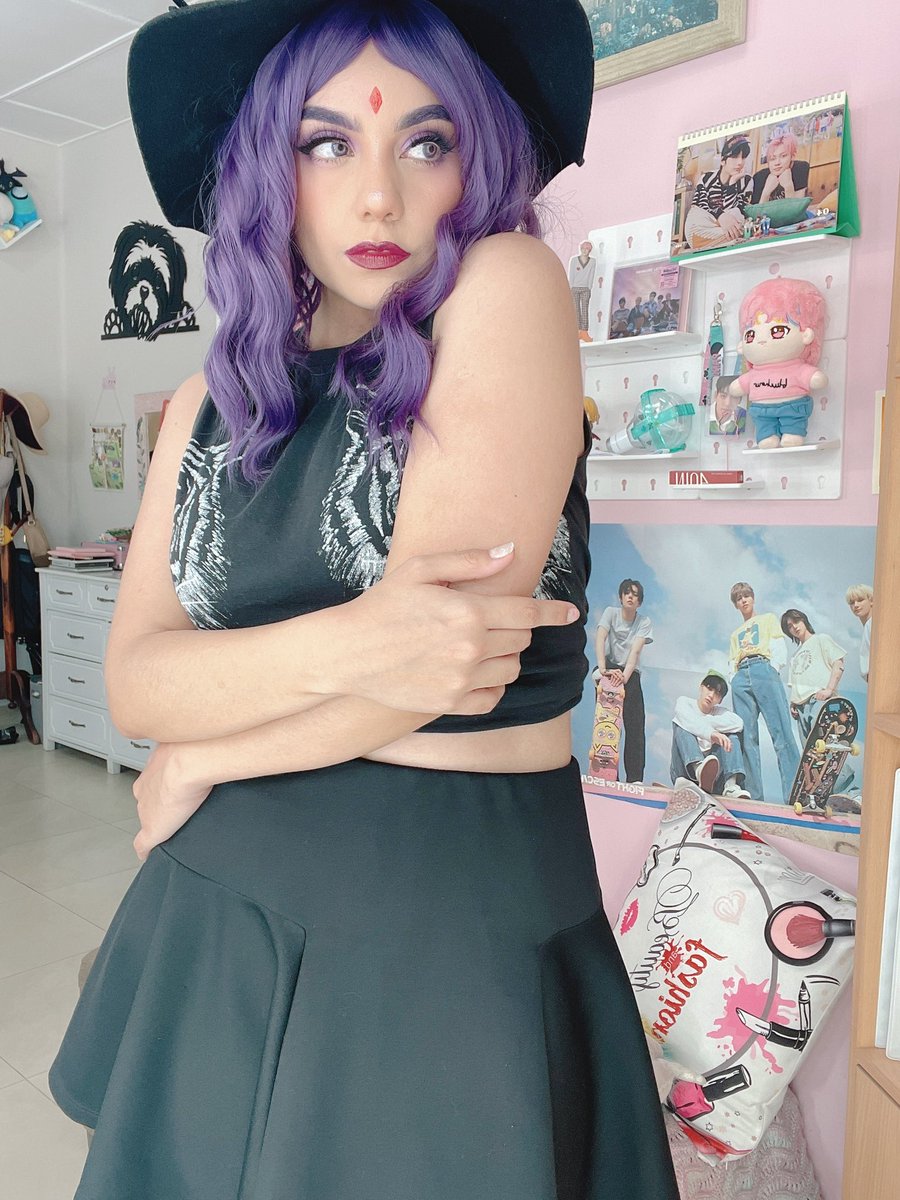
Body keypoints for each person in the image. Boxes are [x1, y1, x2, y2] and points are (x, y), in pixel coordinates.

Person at [48, 3, 679, 1198]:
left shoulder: (503, 287)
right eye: (326, 143)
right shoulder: (205, 405)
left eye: (425, 142)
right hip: (216, 909)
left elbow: (446, 664)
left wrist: (208, 751)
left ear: (477, 159)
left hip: (444, 927)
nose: (378, 196)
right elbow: (139, 683)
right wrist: (351, 645)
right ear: (265, 168)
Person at [781, 608, 859, 810]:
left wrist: (829, 690)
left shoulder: (821, 640)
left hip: (820, 702)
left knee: (830, 749)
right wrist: (793, 703)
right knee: (813, 758)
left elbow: (838, 663)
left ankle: (852, 792)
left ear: (803, 620)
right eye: (789, 626)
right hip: (802, 709)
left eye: (795, 621)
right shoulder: (795, 656)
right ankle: (827, 797)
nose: (794, 627)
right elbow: (796, 684)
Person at [728, 582, 799, 804]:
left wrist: (773, 668)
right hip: (741, 674)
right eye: (739, 599)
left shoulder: (768, 619)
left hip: (763, 667)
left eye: (746, 596)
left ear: (753, 597)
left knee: (781, 732)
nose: (743, 600)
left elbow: (778, 644)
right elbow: (732, 659)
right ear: (736, 604)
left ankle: (794, 794)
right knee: (746, 737)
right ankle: (753, 796)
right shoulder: (735, 634)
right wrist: (734, 678)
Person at [595, 578, 652, 782]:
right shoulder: (610, 613)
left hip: (630, 674)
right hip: (607, 669)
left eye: (635, 595)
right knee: (606, 723)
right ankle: (606, 773)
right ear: (620, 596)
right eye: (627, 592)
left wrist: (624, 678)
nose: (630, 597)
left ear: (639, 601)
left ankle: (635, 778)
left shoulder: (644, 622)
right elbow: (600, 638)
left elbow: (635, 652)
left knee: (635, 727)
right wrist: (603, 669)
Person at [670, 671, 751, 799]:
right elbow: (683, 716)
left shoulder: (721, 713)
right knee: (681, 726)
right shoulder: (685, 702)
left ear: (720, 700)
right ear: (701, 687)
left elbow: (738, 723)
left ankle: (730, 786)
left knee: (732, 737)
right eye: (709, 688)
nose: (711, 695)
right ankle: (699, 769)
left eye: (717, 694)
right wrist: (711, 733)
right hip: (685, 774)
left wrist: (704, 723)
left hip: (714, 780)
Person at [683, 132, 752, 249]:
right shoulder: (706, 178)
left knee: (738, 216)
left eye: (743, 157)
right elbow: (700, 207)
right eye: (734, 157)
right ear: (723, 161)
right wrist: (721, 216)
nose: (740, 162)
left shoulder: (747, 181)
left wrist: (732, 184)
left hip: (727, 227)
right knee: (694, 215)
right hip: (709, 224)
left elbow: (738, 212)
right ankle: (726, 240)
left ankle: (715, 242)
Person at [750, 132, 811, 206]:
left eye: (783, 156)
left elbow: (797, 209)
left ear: (793, 156)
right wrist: (766, 192)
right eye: (772, 159)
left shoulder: (800, 168)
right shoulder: (759, 177)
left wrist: (788, 187)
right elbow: (757, 212)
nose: (777, 163)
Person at [846, 583, 874, 683]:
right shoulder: (868, 626)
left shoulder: (873, 624)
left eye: (860, 600)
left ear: (871, 601)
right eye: (852, 602)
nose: (856, 605)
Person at [568, 238, 596, 335]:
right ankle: (577, 330)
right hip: (575, 288)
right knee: (576, 309)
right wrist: (571, 286)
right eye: (583, 248)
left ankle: (584, 331)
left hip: (585, 288)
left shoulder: (592, 261)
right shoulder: (574, 260)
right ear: (580, 249)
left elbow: (592, 274)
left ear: (590, 250)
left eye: (587, 249)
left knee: (585, 309)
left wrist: (589, 287)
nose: (584, 250)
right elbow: (571, 274)